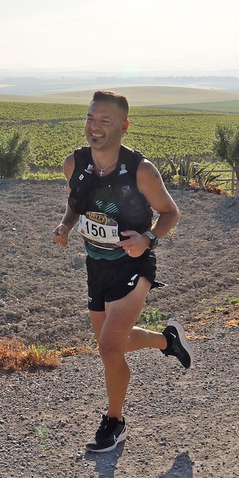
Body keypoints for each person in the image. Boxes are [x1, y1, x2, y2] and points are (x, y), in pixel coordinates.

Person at [53, 91, 193, 452]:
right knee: (112, 345)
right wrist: (66, 226)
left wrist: (147, 239)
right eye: (89, 119)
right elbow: (75, 205)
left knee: (109, 346)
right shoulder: (75, 164)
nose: (93, 127)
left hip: (134, 264)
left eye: (104, 121)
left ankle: (114, 422)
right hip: (95, 265)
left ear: (123, 126)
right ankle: (168, 341)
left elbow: (170, 213)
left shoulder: (140, 171)